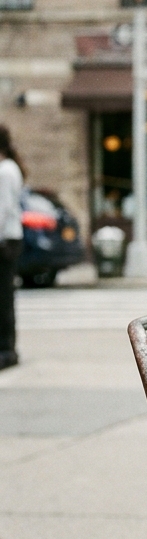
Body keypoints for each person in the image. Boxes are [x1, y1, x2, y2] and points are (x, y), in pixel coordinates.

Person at [0, 126, 23, 370]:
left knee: (4, 296)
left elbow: (3, 208)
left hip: (6, 240)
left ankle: (7, 349)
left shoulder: (6, 170)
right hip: (9, 238)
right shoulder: (8, 168)